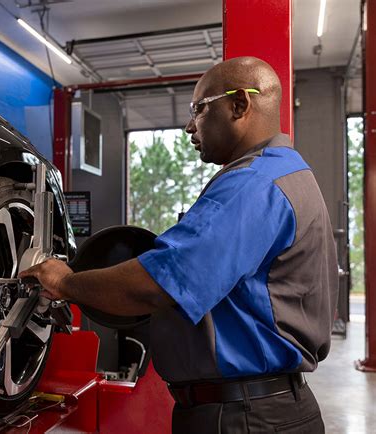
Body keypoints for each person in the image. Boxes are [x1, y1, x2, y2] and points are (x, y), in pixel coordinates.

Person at [20, 56, 338, 434]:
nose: (190, 126)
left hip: (243, 418)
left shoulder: (253, 185)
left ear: (239, 105)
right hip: (263, 408)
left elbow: (156, 285)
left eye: (199, 109)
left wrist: (64, 282)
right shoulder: (286, 174)